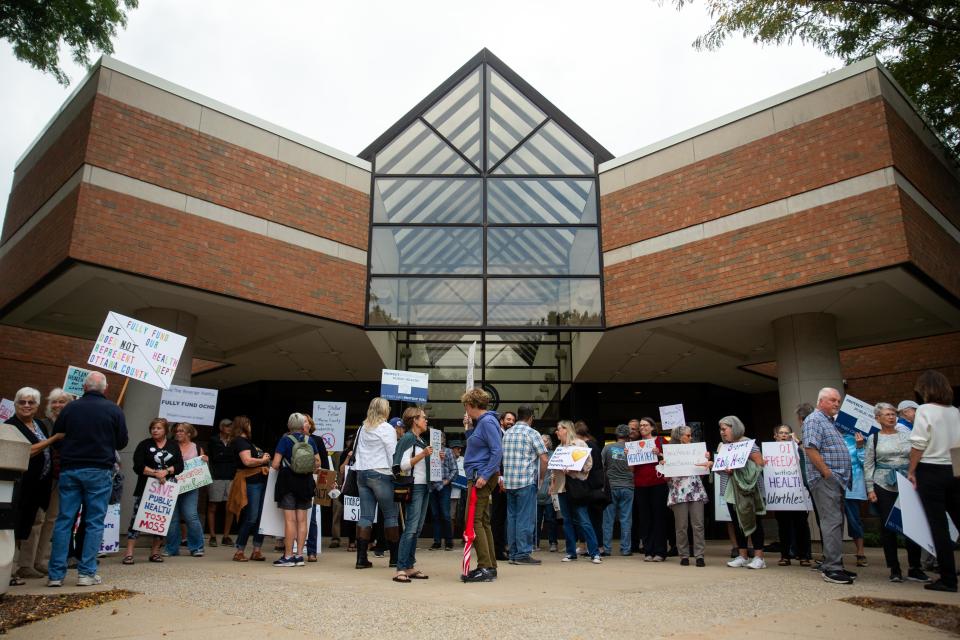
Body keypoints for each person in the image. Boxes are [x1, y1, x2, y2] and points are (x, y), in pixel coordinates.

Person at [45, 373, 127, 587]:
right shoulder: (114, 410)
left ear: (84, 387)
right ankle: (86, 573)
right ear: (105, 389)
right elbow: (122, 441)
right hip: (99, 470)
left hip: (71, 469)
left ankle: (55, 575)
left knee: (64, 521)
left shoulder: (71, 407)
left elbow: (57, 436)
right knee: (94, 522)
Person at [908, 370, 960, 593]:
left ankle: (948, 578)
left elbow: (919, 443)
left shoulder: (925, 410)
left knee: (938, 526)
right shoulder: (955, 412)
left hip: (931, 470)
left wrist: (912, 470)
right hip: (955, 469)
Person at [865, 402, 928, 583]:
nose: (891, 417)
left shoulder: (908, 435)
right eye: (887, 414)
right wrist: (870, 489)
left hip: (907, 483)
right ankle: (894, 568)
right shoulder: (873, 439)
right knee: (888, 527)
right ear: (878, 418)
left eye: (893, 414)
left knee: (912, 525)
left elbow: (916, 454)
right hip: (883, 484)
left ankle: (915, 567)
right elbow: (868, 464)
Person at [5, 387, 61, 585]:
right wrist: (53, 439)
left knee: (37, 523)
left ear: (37, 406)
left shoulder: (38, 424)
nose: (26, 406)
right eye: (22, 402)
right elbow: (26, 450)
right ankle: (16, 568)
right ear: (15, 404)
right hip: (21, 486)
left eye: (31, 402)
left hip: (41, 485)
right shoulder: (10, 426)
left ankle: (30, 564)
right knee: (18, 526)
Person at [19, 388, 72, 579]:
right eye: (54, 402)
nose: (58, 405)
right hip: (40, 479)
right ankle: (26, 563)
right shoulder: (43, 424)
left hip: (61, 477)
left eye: (62, 402)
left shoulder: (73, 424)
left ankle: (39, 561)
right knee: (36, 519)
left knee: (51, 520)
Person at [803, 387, 855, 585]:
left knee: (835, 523)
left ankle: (834, 564)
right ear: (821, 401)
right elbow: (810, 447)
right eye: (833, 400)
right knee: (831, 522)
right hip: (826, 480)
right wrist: (826, 472)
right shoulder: (815, 420)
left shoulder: (830, 422)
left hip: (836, 480)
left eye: (838, 401)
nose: (837, 404)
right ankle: (832, 568)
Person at [122, 418, 184, 566]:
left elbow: (180, 465)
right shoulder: (144, 444)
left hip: (166, 489)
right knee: (137, 519)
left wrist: (166, 472)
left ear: (165, 431)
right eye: (153, 428)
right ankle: (129, 553)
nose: (155, 430)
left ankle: (155, 552)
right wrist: (156, 473)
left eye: (158, 428)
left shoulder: (173, 445)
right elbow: (138, 466)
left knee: (160, 520)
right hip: (146, 486)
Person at [461, 387, 503, 582]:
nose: (466, 410)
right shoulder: (484, 423)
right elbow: (480, 448)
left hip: (480, 476)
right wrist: (469, 429)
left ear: (471, 405)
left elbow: (497, 451)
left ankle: (485, 566)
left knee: (474, 520)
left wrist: (485, 475)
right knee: (482, 520)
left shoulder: (486, 422)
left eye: (466, 407)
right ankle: (490, 566)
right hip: (480, 475)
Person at [352, 397, 399, 570]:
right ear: (384, 410)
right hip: (381, 473)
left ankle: (361, 559)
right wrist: (398, 474)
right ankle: (394, 558)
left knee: (365, 516)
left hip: (362, 473)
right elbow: (392, 454)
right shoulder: (386, 428)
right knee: (390, 515)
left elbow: (356, 451)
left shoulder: (362, 428)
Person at [271, 413, 322, 567]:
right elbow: (318, 462)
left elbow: (275, 463)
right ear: (302, 426)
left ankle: (288, 556)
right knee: (302, 520)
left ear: (289, 426)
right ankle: (300, 556)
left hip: (287, 482)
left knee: (290, 520)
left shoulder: (285, 440)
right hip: (305, 482)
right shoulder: (310, 440)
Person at [502, 404, 549, 565]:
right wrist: (542, 478)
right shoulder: (532, 433)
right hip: (526, 482)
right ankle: (522, 554)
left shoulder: (507, 433)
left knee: (512, 518)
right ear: (531, 418)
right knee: (525, 519)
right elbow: (544, 458)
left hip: (509, 482)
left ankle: (513, 553)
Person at [717, 416, 766, 570]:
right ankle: (742, 555)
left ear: (735, 428)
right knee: (737, 524)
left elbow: (760, 463)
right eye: (721, 429)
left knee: (754, 522)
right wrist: (715, 463)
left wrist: (741, 463)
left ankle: (759, 557)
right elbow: (721, 470)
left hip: (748, 490)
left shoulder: (748, 443)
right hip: (731, 490)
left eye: (725, 429)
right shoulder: (724, 446)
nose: (722, 432)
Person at [550, 420, 601, 564]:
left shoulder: (579, 444)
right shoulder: (559, 447)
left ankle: (594, 552)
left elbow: (589, 464)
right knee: (567, 521)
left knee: (584, 520)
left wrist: (575, 469)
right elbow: (555, 468)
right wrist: (552, 483)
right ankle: (571, 552)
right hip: (562, 487)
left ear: (566, 430)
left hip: (576, 487)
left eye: (559, 429)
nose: (556, 432)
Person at [393, 407, 434, 582]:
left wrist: (434, 457)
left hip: (424, 487)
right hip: (415, 486)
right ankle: (401, 568)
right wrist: (423, 455)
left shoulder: (420, 440)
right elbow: (399, 466)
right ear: (415, 420)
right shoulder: (409, 438)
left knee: (416, 529)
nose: (426, 420)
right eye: (424, 418)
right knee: (411, 528)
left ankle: (409, 566)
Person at [227, 416, 271, 562]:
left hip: (259, 481)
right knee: (251, 517)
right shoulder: (240, 441)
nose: (251, 427)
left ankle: (256, 550)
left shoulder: (247, 442)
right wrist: (263, 460)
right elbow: (247, 461)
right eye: (249, 424)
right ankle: (239, 550)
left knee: (260, 517)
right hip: (251, 482)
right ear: (244, 426)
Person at [666, 425, 710, 567]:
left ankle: (699, 555)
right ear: (679, 437)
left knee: (698, 524)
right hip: (678, 491)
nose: (690, 438)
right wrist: (663, 466)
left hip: (695, 490)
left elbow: (704, 471)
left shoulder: (696, 450)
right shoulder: (670, 452)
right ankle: (683, 555)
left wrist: (707, 461)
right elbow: (665, 478)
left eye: (691, 435)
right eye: (688, 435)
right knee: (681, 526)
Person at [163, 423, 207, 557]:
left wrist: (205, 459)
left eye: (181, 431)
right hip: (171, 484)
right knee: (172, 518)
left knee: (191, 516)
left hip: (190, 487)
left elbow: (202, 465)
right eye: (176, 431)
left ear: (189, 433)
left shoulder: (197, 447)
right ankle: (171, 548)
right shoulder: (170, 446)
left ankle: (197, 547)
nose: (178, 433)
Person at [771, 425, 812, 567]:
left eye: (786, 433)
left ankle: (804, 555)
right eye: (780, 433)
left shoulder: (798, 451)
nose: (783, 435)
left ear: (791, 435)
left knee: (801, 524)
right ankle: (785, 555)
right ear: (775, 436)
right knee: (783, 525)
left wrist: (798, 444)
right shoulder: (770, 453)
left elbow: (808, 462)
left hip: (798, 493)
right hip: (780, 494)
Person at [633, 416, 668, 562]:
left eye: (646, 425)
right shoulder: (634, 444)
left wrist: (659, 454)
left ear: (653, 427)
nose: (642, 428)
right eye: (640, 426)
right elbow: (631, 469)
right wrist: (629, 456)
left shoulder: (661, 441)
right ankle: (648, 550)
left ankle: (660, 551)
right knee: (645, 518)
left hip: (658, 483)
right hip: (641, 484)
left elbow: (670, 461)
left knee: (658, 517)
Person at [602, 424, 634, 557]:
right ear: (629, 436)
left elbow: (601, 466)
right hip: (628, 486)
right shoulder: (633, 449)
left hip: (611, 486)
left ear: (616, 435)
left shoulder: (607, 448)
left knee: (608, 519)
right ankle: (626, 549)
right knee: (626, 519)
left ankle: (607, 549)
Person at [575, 420, 606, 555]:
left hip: (588, 485)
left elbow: (585, 467)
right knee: (595, 517)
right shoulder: (595, 445)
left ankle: (593, 546)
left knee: (589, 517)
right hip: (596, 485)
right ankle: (596, 545)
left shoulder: (586, 446)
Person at [304, 414, 332, 562]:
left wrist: (325, 484)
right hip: (294, 482)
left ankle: (311, 551)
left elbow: (325, 466)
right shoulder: (287, 438)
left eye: (306, 421)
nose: (303, 423)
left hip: (312, 481)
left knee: (312, 517)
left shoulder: (317, 440)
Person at [205, 418, 235, 548]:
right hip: (216, 476)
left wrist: (224, 455)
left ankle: (226, 536)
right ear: (221, 427)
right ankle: (212, 536)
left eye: (231, 427)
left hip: (231, 477)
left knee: (230, 507)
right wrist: (224, 455)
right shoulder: (213, 440)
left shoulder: (234, 441)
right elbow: (213, 458)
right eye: (227, 426)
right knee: (213, 506)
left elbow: (234, 458)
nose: (230, 429)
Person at [842, 429, 868, 567]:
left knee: (854, 520)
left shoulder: (856, 437)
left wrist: (859, 446)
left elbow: (866, 463)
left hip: (853, 486)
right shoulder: (828, 437)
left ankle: (860, 552)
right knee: (832, 522)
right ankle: (832, 554)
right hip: (833, 485)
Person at [491, 411, 514, 562]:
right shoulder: (499, 433)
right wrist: (500, 476)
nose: (511, 421)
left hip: (505, 478)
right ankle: (497, 550)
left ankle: (501, 546)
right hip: (499, 479)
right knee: (498, 516)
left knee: (502, 516)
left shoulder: (507, 433)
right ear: (501, 421)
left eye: (513, 419)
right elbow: (497, 454)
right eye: (508, 419)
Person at [428, 432, 457, 551]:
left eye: (440, 438)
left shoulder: (449, 452)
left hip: (444, 486)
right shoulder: (428, 451)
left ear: (444, 440)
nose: (437, 441)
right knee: (435, 515)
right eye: (435, 438)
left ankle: (449, 541)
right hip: (431, 486)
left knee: (445, 514)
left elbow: (454, 470)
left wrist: (447, 481)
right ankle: (437, 542)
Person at [536, 433, 559, 552]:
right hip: (536, 493)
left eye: (544, 441)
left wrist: (553, 485)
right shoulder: (535, 456)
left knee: (551, 519)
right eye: (540, 440)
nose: (542, 443)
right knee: (536, 520)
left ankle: (553, 542)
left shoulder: (553, 455)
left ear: (549, 443)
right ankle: (535, 543)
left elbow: (555, 472)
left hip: (550, 492)